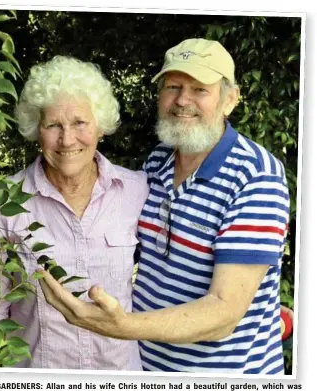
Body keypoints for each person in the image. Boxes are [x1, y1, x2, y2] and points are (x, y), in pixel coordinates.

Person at [39, 38, 290, 374]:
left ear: (230, 99)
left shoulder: (256, 175)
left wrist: (121, 326)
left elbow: (223, 316)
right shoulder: (160, 160)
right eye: (173, 86)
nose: (182, 100)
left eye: (199, 89)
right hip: (149, 369)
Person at [0, 56, 149, 370]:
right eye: (53, 125)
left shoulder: (136, 191)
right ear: (37, 130)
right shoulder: (3, 201)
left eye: (80, 123)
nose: (67, 139)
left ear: (100, 127)